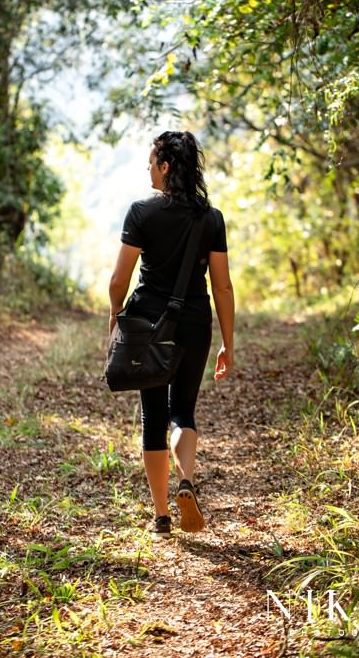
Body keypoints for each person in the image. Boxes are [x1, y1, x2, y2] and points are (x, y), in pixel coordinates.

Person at [106, 130, 235, 535]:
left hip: (149, 328)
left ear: (165, 166)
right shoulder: (210, 218)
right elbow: (223, 285)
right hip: (195, 323)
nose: (148, 169)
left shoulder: (141, 213)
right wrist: (229, 342)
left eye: (151, 163)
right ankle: (186, 481)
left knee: (153, 416)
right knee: (183, 411)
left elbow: (119, 278)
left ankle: (162, 516)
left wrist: (114, 314)